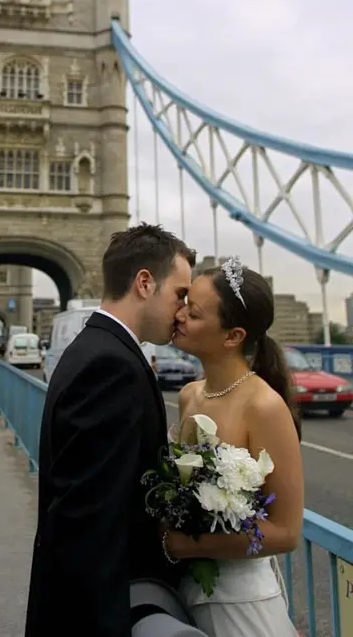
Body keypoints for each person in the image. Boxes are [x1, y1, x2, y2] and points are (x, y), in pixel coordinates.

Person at [24, 223, 196, 637]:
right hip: (95, 612)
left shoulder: (97, 349)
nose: (182, 310)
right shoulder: (111, 366)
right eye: (180, 294)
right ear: (143, 283)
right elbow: (89, 523)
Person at [163, 256, 303, 637]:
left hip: (242, 606)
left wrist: (183, 545)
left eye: (193, 313)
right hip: (184, 593)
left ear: (232, 336)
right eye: (182, 304)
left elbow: (286, 533)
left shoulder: (264, 407)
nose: (178, 316)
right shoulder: (189, 396)